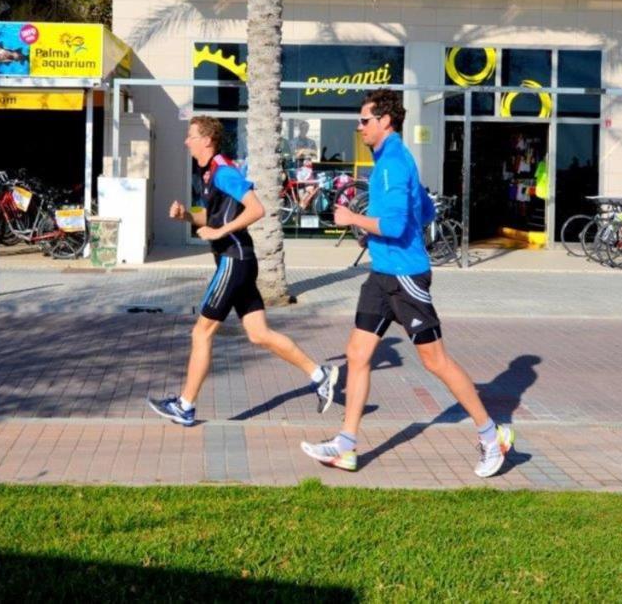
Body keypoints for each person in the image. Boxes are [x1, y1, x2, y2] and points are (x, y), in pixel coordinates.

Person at [300, 89, 514, 477]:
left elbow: (398, 224)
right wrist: (374, 233)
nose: (359, 127)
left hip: (404, 277)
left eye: (365, 120)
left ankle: (491, 434)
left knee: (435, 361)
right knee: (358, 353)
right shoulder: (387, 160)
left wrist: (353, 221)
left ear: (385, 121)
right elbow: (426, 208)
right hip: (382, 274)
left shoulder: (394, 163)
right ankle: (347, 446)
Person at [148, 116, 339, 426]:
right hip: (241, 259)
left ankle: (185, 406)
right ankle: (321, 376)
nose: (186, 141)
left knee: (202, 332)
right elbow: (211, 217)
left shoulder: (223, 172)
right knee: (259, 333)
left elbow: (256, 208)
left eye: (191, 136)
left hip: (233, 261)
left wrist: (220, 231)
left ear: (207, 140)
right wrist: (187, 215)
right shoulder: (211, 171)